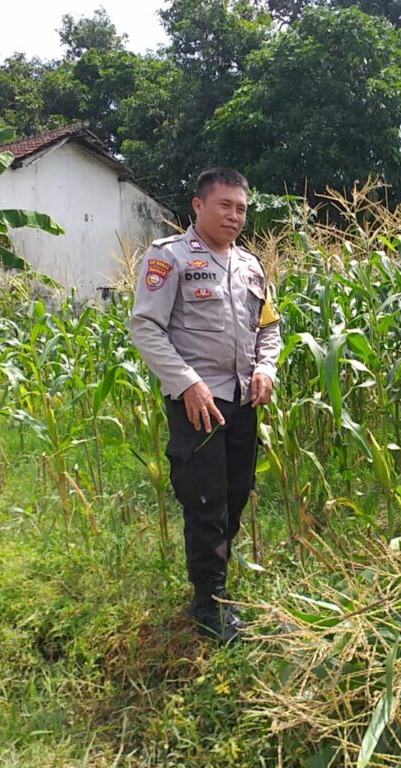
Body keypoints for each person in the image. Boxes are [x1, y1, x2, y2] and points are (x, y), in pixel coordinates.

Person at [130, 167, 281, 642]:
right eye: (225, 206)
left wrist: (266, 367)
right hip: (199, 402)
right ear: (198, 206)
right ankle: (208, 603)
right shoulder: (169, 258)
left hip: (242, 398)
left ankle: (218, 590)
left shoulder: (251, 266)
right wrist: (187, 382)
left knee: (235, 496)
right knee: (205, 501)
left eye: (241, 208)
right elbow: (146, 327)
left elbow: (269, 327)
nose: (235, 216)